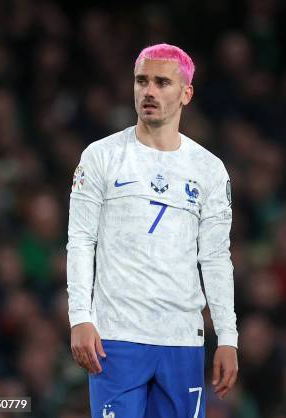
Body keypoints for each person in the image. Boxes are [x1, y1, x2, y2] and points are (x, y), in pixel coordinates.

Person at [66, 43, 238, 418]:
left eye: (162, 82)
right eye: (142, 81)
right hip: (116, 337)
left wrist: (228, 337)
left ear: (186, 93)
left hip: (182, 340)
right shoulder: (101, 156)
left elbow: (215, 258)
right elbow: (80, 241)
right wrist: (80, 316)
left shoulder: (209, 169)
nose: (149, 91)